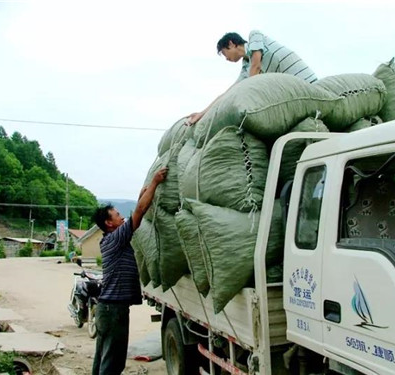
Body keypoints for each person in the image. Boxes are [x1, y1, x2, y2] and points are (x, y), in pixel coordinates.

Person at [91, 167, 168, 375]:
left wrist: (141, 196)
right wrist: (155, 182)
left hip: (108, 310)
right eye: (117, 215)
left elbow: (136, 213)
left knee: (102, 358)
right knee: (113, 362)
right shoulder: (115, 238)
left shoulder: (112, 239)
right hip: (113, 311)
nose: (121, 217)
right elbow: (139, 213)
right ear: (109, 223)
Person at [186, 30, 317, 125]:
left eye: (225, 53)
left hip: (310, 84)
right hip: (297, 96)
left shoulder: (255, 36)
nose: (226, 59)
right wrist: (202, 113)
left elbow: (256, 64)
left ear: (231, 44)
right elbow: (228, 93)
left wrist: (248, 93)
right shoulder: (246, 69)